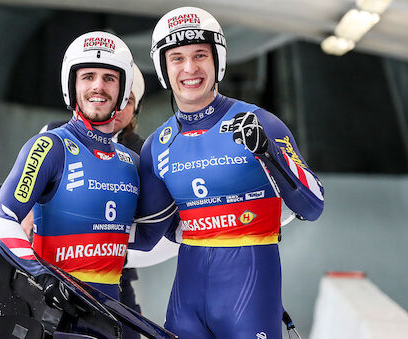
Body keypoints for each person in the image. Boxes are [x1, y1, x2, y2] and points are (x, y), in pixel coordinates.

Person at [131, 7, 325, 339]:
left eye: (199, 55)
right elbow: (147, 236)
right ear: (164, 69)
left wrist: (269, 154)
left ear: (217, 60)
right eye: (176, 58)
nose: (189, 68)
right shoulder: (157, 145)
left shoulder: (259, 122)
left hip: (248, 305)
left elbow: (313, 204)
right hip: (186, 307)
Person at [0, 31, 139, 310]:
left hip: (108, 318)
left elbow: (152, 235)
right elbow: (1, 218)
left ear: (123, 88)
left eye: (109, 78)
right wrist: (42, 275)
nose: (98, 87)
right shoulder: (50, 146)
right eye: (88, 76)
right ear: (72, 85)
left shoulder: (132, 161)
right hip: (53, 315)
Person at [23, 63, 147, 339]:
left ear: (134, 109)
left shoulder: (139, 153)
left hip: (113, 272)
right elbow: (29, 197)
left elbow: (149, 224)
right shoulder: (56, 134)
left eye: (128, 101)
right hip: (53, 264)